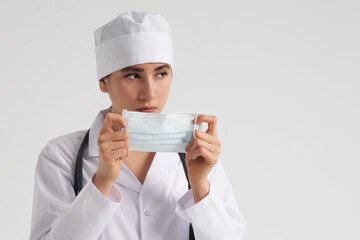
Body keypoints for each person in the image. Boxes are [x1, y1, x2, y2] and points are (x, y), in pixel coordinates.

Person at [30, 11, 245, 240]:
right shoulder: (61, 157)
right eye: (133, 75)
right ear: (104, 82)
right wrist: (101, 182)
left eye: (161, 73)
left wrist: (200, 186)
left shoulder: (198, 154)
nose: (150, 93)